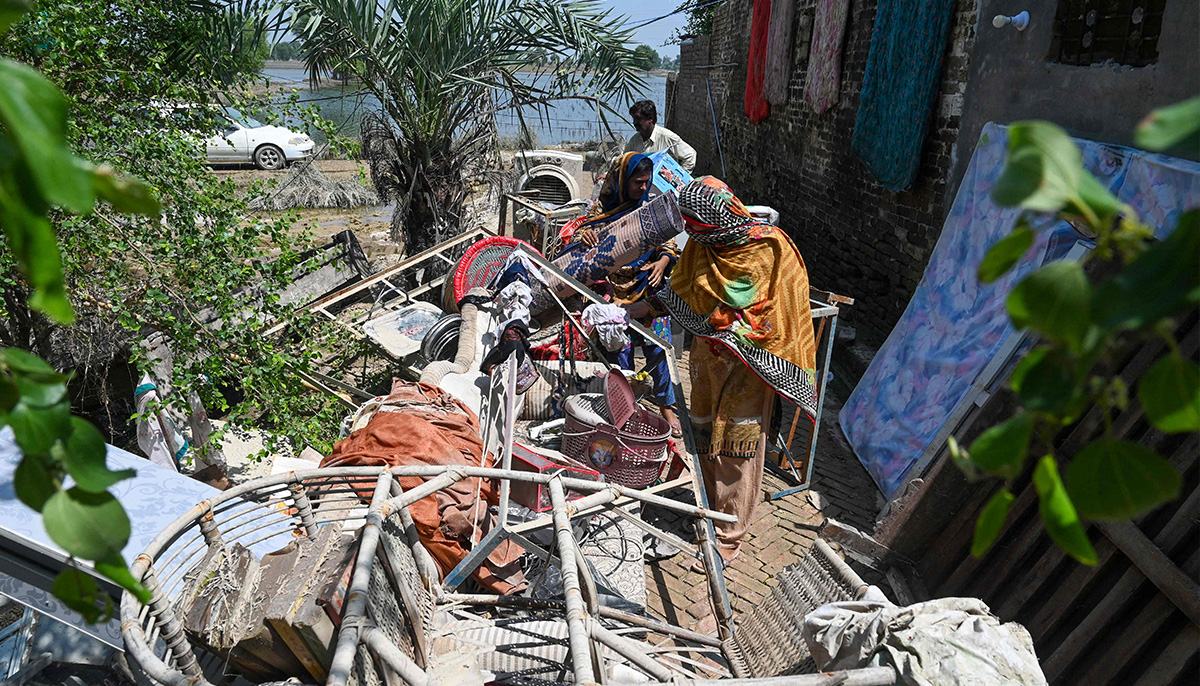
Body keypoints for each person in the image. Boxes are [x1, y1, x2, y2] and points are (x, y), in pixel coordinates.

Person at [655, 176, 818, 563]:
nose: (693, 234)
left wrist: (731, 330)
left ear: (720, 217)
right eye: (689, 226)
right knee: (707, 436)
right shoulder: (702, 243)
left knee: (737, 448)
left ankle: (730, 534)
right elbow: (684, 291)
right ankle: (712, 511)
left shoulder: (770, 248)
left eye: (699, 226)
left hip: (750, 367)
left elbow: (783, 313)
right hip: (708, 361)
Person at [563, 152, 682, 436]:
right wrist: (586, 236)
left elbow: (669, 244)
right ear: (621, 180)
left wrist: (663, 261)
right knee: (621, 357)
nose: (643, 188)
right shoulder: (601, 210)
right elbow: (580, 244)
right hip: (614, 295)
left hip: (647, 289)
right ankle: (628, 408)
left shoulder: (651, 207)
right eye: (637, 182)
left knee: (660, 352)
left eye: (647, 182)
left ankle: (666, 406)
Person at [624, 100, 696, 173]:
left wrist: (679, 177)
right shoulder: (634, 140)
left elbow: (690, 155)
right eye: (634, 119)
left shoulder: (667, 137)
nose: (635, 122)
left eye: (639, 119)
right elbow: (625, 161)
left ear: (650, 119)